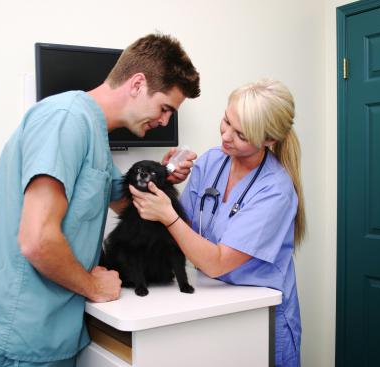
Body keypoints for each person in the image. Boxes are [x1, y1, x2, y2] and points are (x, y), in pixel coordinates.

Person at [0, 33, 200, 367]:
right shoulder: (66, 119)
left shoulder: (94, 133)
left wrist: (162, 180)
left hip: (50, 333)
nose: (165, 121)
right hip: (16, 336)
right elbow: (37, 240)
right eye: (165, 108)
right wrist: (94, 286)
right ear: (138, 84)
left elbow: (130, 208)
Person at [130, 79, 305, 367]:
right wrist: (164, 183)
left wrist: (168, 214)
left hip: (259, 314)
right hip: (213, 304)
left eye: (241, 134)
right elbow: (178, 231)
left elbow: (217, 261)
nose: (225, 136)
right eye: (226, 121)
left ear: (269, 140)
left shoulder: (275, 191)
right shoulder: (212, 162)